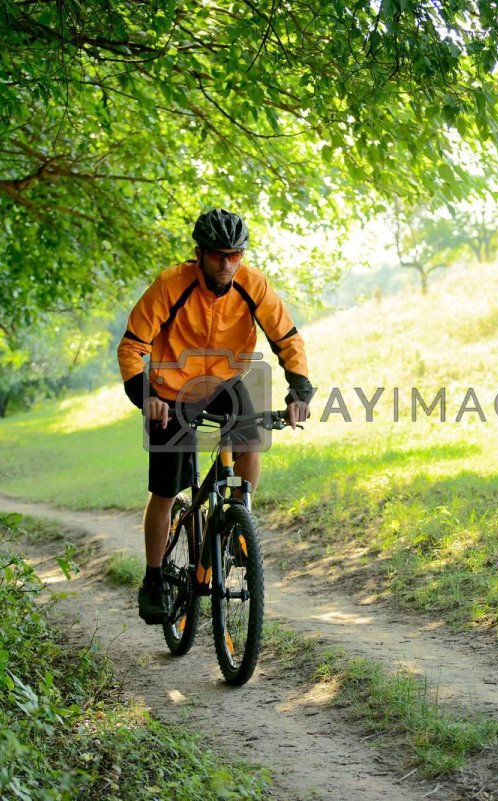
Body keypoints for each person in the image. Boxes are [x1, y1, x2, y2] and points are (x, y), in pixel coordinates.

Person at [117, 208, 313, 624]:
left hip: (225, 382)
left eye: (235, 255)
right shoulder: (172, 284)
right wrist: (147, 397)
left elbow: (287, 338)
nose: (227, 264)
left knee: (252, 436)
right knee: (166, 491)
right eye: (219, 255)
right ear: (200, 253)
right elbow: (132, 347)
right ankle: (154, 577)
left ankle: (238, 519)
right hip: (171, 391)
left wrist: (300, 391)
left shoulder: (252, 284)